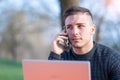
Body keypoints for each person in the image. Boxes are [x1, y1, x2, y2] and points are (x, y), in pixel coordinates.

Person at [48, 6, 120, 80]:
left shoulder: (113, 60)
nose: (74, 32)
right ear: (65, 32)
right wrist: (55, 54)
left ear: (92, 29)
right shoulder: (60, 58)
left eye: (80, 26)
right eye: (69, 27)